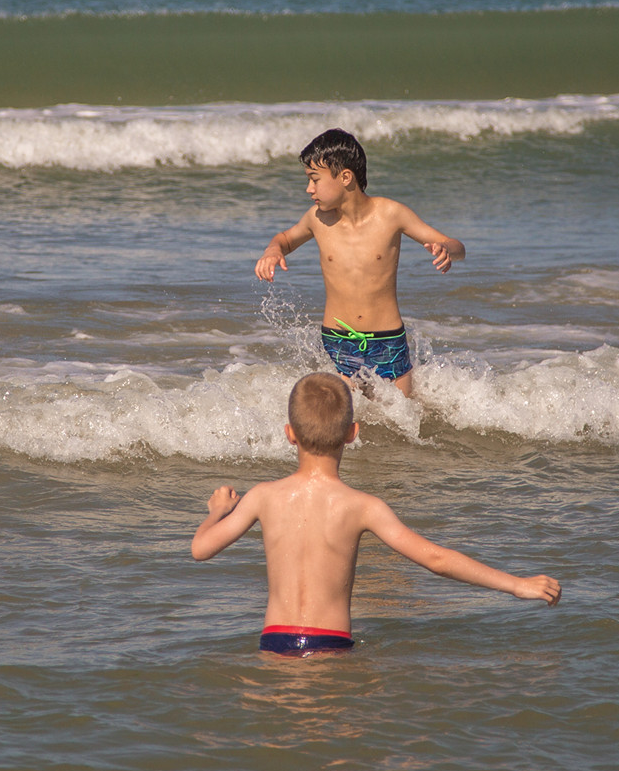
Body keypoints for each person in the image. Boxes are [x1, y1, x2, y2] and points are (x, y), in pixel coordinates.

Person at [192, 372, 560, 656]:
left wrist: (218, 512)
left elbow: (201, 549)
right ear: (352, 433)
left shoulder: (262, 497)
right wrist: (516, 584)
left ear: (290, 434)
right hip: (332, 646)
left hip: (273, 644)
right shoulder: (362, 506)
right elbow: (436, 559)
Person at [253, 128, 465, 397]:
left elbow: (458, 247)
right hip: (337, 339)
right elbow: (285, 238)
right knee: (344, 424)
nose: (309, 189)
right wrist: (273, 250)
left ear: (345, 177)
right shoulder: (317, 219)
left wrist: (447, 249)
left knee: (403, 426)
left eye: (314, 179)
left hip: (387, 340)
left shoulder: (391, 214)